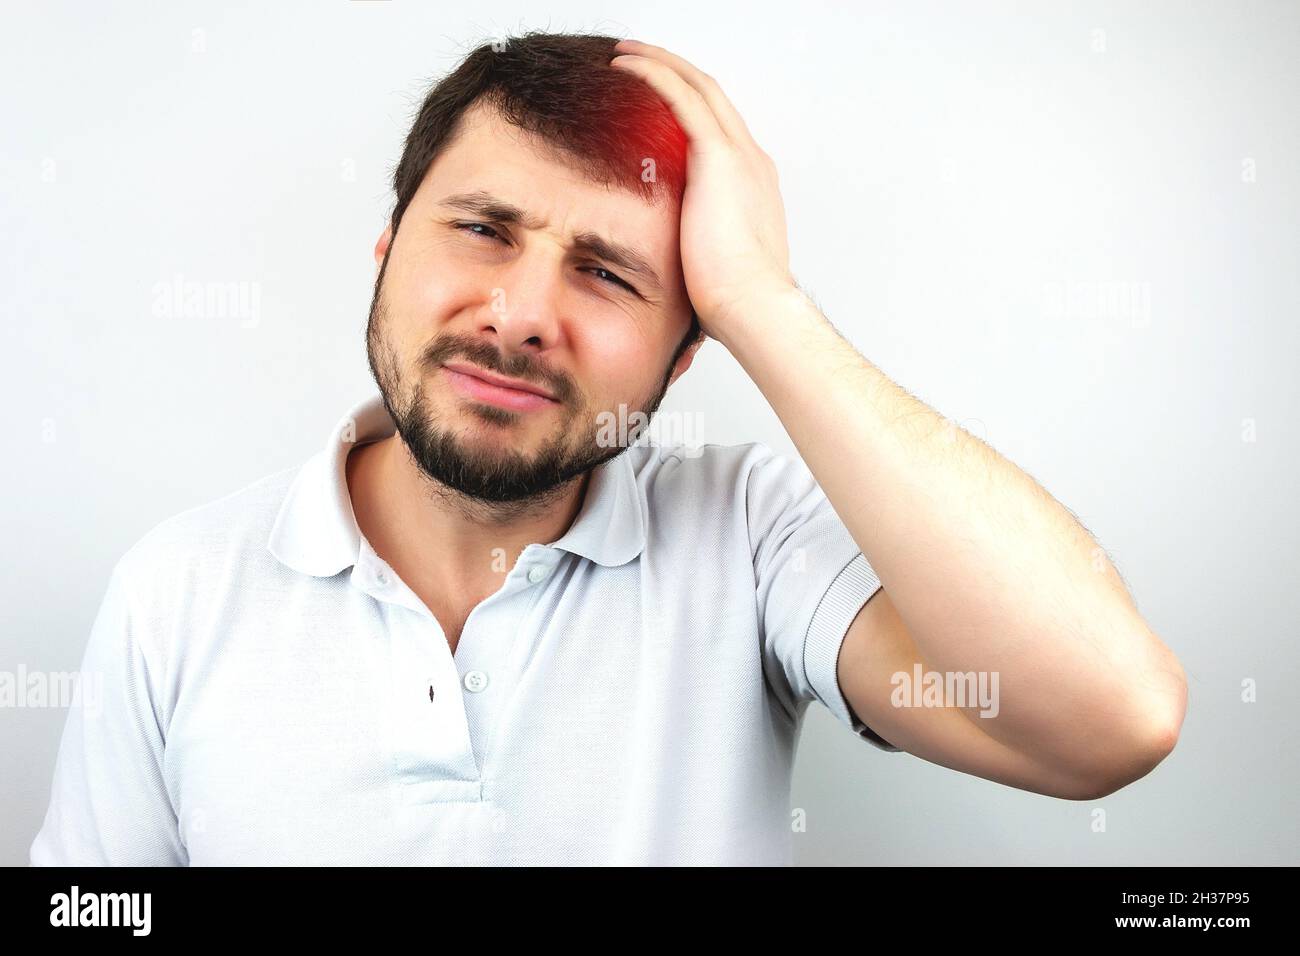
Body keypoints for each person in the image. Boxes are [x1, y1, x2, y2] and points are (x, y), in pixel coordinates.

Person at [30, 32, 1186, 866]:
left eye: (606, 272)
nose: (521, 312)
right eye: (483, 229)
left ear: (685, 356)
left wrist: (761, 302)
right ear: (385, 248)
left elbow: (1109, 719)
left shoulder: (748, 537)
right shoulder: (176, 589)